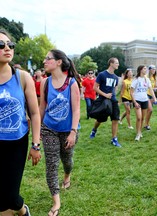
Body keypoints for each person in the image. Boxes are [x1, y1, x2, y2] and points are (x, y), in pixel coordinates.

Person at [0, 29, 41, 216]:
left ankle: (22, 209)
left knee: (10, 194)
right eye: (1, 45)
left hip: (16, 142)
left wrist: (36, 145)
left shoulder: (22, 77)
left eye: (10, 44)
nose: (7, 48)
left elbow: (34, 112)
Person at [39, 49, 81, 216]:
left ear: (58, 62)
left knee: (67, 160)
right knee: (51, 164)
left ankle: (67, 175)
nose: (44, 61)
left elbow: (77, 110)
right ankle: (56, 200)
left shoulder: (72, 83)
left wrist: (73, 132)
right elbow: (42, 107)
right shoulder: (45, 82)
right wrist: (38, 130)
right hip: (49, 128)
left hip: (68, 130)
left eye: (47, 58)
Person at [89, 57, 122, 147]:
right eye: (116, 63)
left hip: (113, 100)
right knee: (100, 119)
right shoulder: (102, 74)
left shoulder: (116, 77)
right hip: (103, 100)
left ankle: (114, 139)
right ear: (111, 63)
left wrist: (114, 97)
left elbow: (114, 89)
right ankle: (94, 130)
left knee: (115, 119)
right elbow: (95, 88)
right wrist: (105, 95)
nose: (118, 64)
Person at [130, 65, 157, 141]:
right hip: (137, 100)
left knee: (142, 118)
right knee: (139, 118)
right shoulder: (136, 79)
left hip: (145, 100)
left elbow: (151, 90)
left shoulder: (147, 79)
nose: (146, 70)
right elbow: (131, 92)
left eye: (146, 69)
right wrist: (134, 102)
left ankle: (140, 131)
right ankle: (138, 134)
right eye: (144, 69)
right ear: (140, 70)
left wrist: (154, 98)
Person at [144, 65, 157, 130]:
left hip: (151, 95)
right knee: (150, 109)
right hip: (146, 94)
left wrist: (155, 88)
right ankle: (146, 124)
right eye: (153, 69)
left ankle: (147, 123)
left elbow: (154, 86)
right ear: (149, 70)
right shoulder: (146, 77)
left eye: (155, 69)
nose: (154, 70)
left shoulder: (154, 77)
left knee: (149, 111)